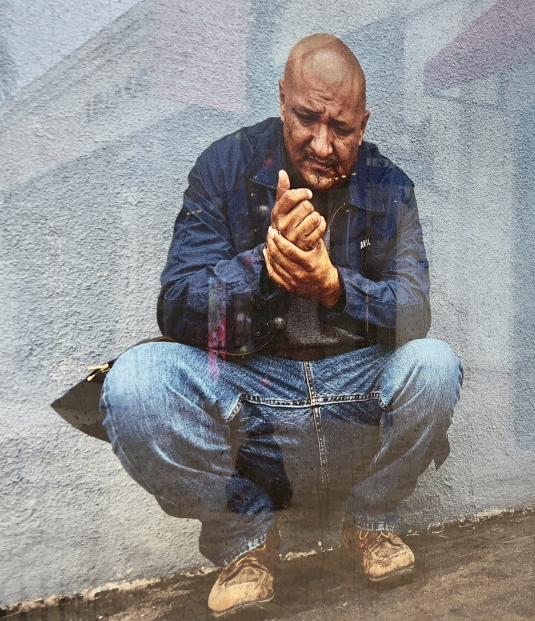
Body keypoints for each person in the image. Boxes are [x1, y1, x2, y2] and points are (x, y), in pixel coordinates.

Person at [99, 33, 462, 616]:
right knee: (136, 384)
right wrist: (264, 271)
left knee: (435, 365)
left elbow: (415, 310)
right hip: (254, 393)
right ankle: (247, 542)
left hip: (353, 394)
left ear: (364, 124)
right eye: (306, 118)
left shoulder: (391, 186)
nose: (323, 143)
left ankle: (369, 520)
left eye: (341, 128)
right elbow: (177, 307)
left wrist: (335, 287)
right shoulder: (223, 166)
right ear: (281, 101)